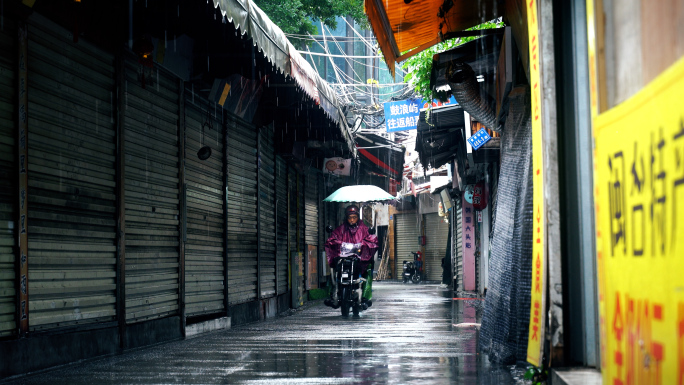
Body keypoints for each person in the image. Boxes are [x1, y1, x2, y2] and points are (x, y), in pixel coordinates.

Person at [324, 205, 378, 308]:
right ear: (346, 218)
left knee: (368, 271)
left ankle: (366, 298)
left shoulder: (364, 229)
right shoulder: (341, 229)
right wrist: (336, 242)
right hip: (343, 258)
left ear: (358, 217)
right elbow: (333, 238)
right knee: (333, 270)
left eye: (354, 217)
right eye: (350, 218)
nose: (352, 220)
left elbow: (371, 240)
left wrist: (364, 244)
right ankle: (332, 295)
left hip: (359, 260)